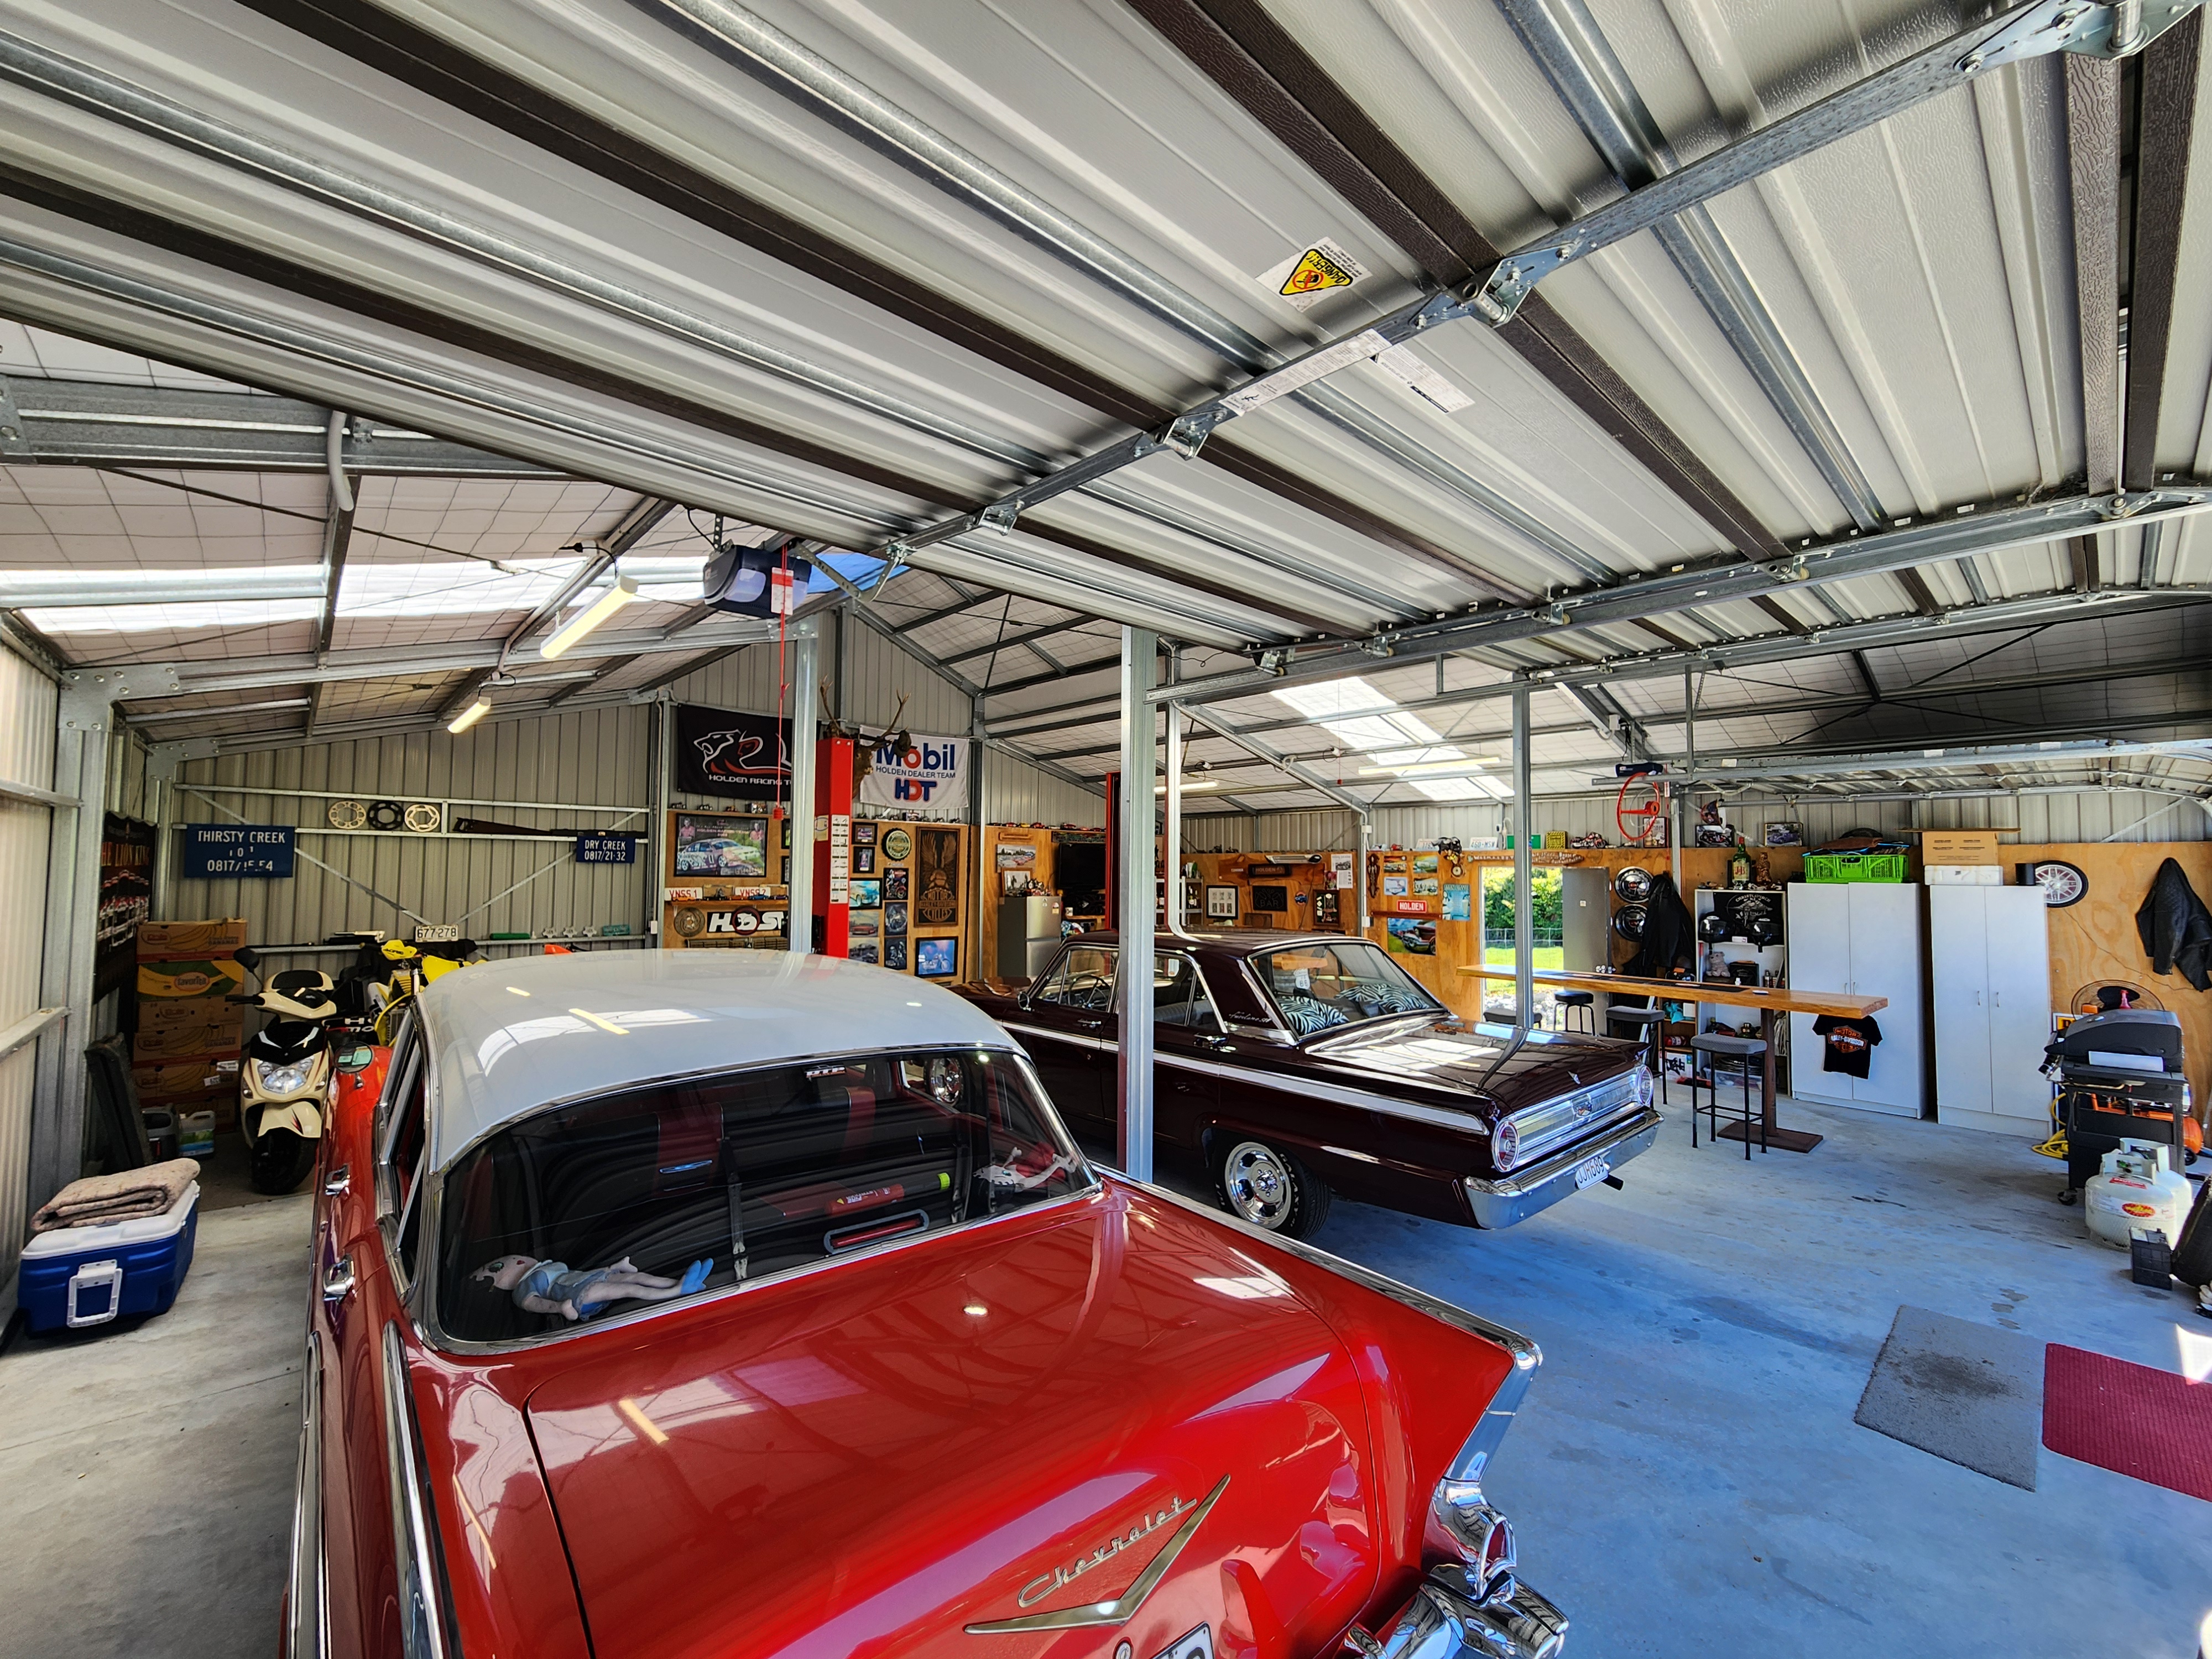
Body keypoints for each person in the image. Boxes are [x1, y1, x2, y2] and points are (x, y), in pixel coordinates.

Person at [473, 1253, 711, 1321]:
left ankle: (682, 1283)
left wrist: (611, 1268)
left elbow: (575, 1273)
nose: (517, 1262)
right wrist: (561, 1308)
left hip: (589, 1279)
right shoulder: (523, 1289)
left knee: (634, 1278)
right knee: (629, 1290)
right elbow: (535, 1304)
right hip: (577, 1295)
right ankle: (675, 1292)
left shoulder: (545, 1266)